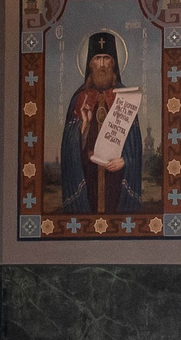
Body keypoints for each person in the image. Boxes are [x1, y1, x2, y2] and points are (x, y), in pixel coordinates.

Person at [58, 30, 143, 214]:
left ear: (114, 63)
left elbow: (135, 146)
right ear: (90, 63)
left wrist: (125, 161)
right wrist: (85, 126)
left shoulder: (125, 97)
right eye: (98, 58)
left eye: (107, 58)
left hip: (117, 178)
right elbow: (68, 149)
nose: (102, 64)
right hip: (88, 177)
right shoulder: (79, 98)